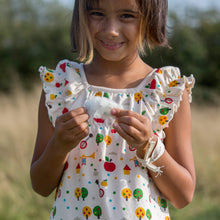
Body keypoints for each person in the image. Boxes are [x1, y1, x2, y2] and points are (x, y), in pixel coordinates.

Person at [30, 0, 196, 219]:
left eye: (127, 15)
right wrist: (59, 146)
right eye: (97, 13)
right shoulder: (62, 86)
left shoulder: (167, 92)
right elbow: (41, 186)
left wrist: (149, 146)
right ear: (81, 16)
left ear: (151, 19)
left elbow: (183, 195)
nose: (111, 30)